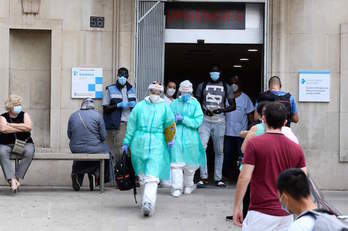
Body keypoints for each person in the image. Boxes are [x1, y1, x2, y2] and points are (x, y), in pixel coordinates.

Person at [233, 102, 306, 231]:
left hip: (260, 212)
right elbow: (303, 180)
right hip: (286, 213)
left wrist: (237, 207)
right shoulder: (296, 148)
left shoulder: (254, 144)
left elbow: (244, 177)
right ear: (284, 122)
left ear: (264, 119)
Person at [122, 81, 175, 217]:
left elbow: (170, 125)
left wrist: (170, 139)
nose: (155, 95)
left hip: (157, 143)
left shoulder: (164, 107)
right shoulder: (139, 107)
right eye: (153, 92)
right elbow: (131, 125)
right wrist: (127, 142)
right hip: (138, 144)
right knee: (142, 176)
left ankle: (148, 203)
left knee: (152, 176)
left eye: (158, 93)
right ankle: (147, 200)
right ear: (149, 91)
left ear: (161, 93)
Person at [196, 65, 236, 188]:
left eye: (216, 72)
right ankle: (203, 177)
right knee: (202, 148)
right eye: (212, 72)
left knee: (219, 151)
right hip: (205, 120)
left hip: (219, 121)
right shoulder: (202, 85)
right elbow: (196, 101)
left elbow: (233, 105)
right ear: (209, 73)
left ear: (220, 73)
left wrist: (222, 110)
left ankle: (218, 178)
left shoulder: (226, 87)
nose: (214, 74)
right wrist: (203, 110)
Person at [169, 80, 206, 197]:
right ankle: (176, 188)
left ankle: (188, 185)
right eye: (183, 92)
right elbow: (168, 120)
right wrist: (169, 137)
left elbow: (198, 121)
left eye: (187, 93)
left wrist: (183, 119)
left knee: (190, 165)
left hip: (191, 139)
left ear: (191, 92)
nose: (185, 95)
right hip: (176, 137)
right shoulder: (174, 104)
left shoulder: (195, 104)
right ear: (179, 91)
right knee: (176, 164)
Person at [67, 98, 112, 191]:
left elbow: (69, 135)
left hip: (76, 148)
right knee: (107, 151)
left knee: (82, 153)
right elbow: (103, 136)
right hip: (94, 148)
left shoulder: (73, 115)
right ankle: (96, 176)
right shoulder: (98, 116)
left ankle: (77, 173)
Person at [0, 95, 34, 192]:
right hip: (6, 143)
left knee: (30, 152)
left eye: (19, 104)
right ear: (10, 106)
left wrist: (10, 125)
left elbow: (29, 127)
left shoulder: (24, 114)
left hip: (25, 143)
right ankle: (12, 179)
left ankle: (17, 177)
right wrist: (21, 127)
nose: (19, 106)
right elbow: (3, 129)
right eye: (16, 104)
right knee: (1, 152)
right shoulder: (3, 117)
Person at [223, 75, 254, 183]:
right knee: (226, 156)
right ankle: (225, 176)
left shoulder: (245, 98)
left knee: (241, 157)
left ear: (240, 84)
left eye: (236, 82)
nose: (234, 85)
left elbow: (251, 116)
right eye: (232, 82)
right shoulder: (226, 97)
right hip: (227, 132)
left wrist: (250, 130)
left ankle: (241, 177)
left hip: (241, 134)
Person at [103, 67, 136, 163]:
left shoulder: (132, 89)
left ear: (128, 76)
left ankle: (130, 174)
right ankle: (119, 173)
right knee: (120, 150)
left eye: (124, 75)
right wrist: (118, 105)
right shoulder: (110, 89)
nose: (122, 77)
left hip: (131, 123)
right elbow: (105, 108)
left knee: (132, 149)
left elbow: (136, 108)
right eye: (120, 75)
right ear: (117, 76)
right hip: (119, 123)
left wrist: (134, 106)